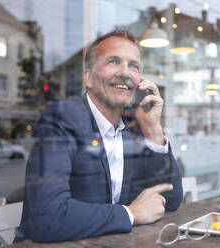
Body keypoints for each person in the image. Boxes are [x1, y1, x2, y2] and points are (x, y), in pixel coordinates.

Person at [14, 30, 183, 243]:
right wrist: (131, 213)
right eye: (113, 62)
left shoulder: (134, 128)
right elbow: (47, 217)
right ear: (89, 77)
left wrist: (154, 131)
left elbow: (171, 199)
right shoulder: (60, 120)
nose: (125, 72)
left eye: (134, 66)